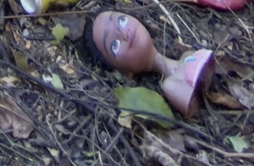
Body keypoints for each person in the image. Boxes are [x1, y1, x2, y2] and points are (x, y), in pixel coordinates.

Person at [83, 10, 214, 117]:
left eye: (122, 20)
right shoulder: (171, 86)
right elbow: (195, 106)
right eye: (114, 45)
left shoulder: (187, 55)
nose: (124, 34)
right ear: (124, 73)